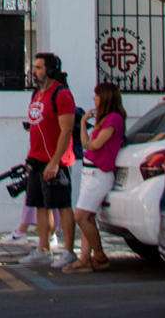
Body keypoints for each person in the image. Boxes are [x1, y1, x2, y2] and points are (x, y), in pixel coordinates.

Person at [23, 52, 77, 267]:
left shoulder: (61, 94)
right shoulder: (37, 94)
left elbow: (66, 131)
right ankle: (43, 248)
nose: (34, 72)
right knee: (40, 205)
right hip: (36, 158)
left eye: (39, 67)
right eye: (34, 67)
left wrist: (55, 161)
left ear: (50, 70)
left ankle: (69, 251)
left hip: (56, 160)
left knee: (62, 205)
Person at [70, 81, 127, 272]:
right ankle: (85, 258)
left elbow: (94, 145)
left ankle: (100, 254)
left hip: (99, 173)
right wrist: (83, 124)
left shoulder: (114, 119)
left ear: (106, 98)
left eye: (97, 95)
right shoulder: (104, 120)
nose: (94, 99)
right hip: (89, 171)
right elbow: (86, 143)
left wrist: (88, 138)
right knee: (88, 217)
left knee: (81, 216)